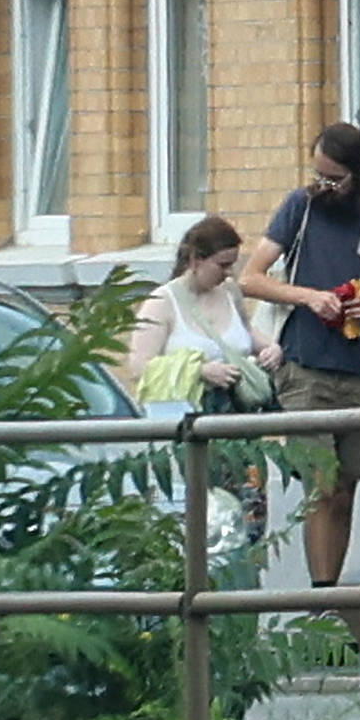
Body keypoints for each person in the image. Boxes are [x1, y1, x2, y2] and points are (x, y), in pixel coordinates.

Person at [243, 122, 360, 649]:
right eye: (317, 174)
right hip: (305, 367)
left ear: (358, 174)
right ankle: (320, 603)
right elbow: (251, 276)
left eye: (333, 178)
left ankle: (330, 593)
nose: (323, 185)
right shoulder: (300, 208)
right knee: (319, 486)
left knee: (346, 488)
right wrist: (307, 297)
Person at [134, 214, 286, 529]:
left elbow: (243, 335)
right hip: (190, 432)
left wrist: (270, 347)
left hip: (241, 428)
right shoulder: (162, 302)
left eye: (232, 264)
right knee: (204, 524)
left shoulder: (229, 292)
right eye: (222, 265)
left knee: (249, 522)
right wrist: (200, 371)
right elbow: (139, 366)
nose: (227, 273)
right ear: (195, 260)